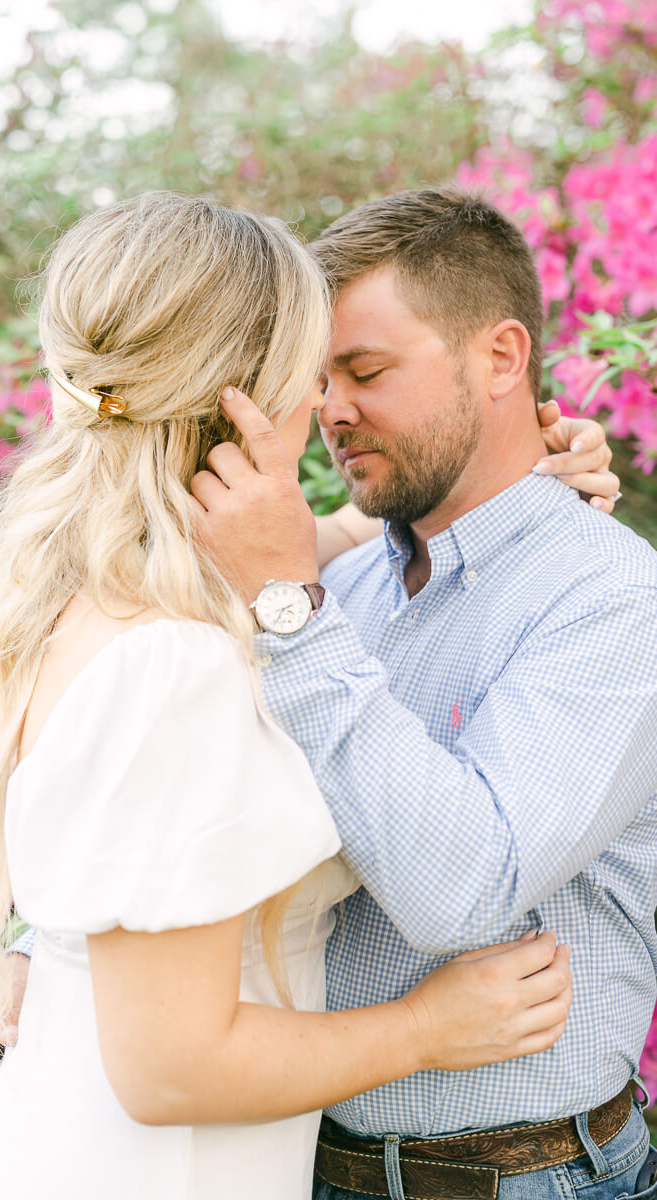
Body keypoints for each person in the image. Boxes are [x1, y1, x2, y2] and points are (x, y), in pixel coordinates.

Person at [0, 193, 575, 1200]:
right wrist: (430, 1028)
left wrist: (531, 479)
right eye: (316, 371)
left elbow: (342, 537)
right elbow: (171, 1068)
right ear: (249, 397)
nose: (325, 407)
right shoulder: (174, 663)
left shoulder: (96, 578)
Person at [181, 187, 657, 1200]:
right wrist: (32, 951)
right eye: (318, 382)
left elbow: (460, 891)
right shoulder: (336, 589)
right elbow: (183, 800)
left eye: (364, 370)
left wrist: (290, 609)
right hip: (300, 1167)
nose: (331, 410)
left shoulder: (612, 600)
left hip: (532, 1178)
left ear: (500, 359)